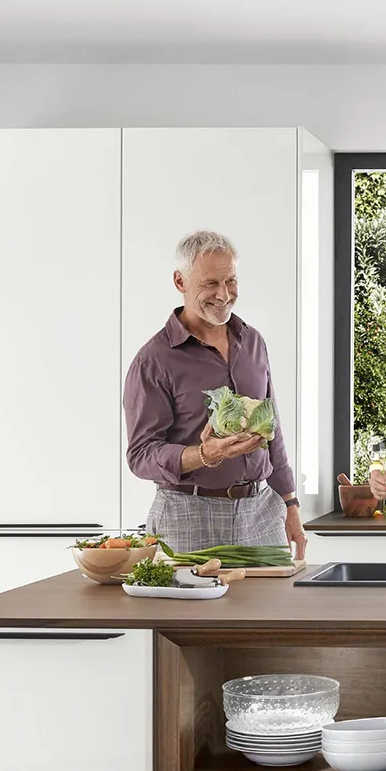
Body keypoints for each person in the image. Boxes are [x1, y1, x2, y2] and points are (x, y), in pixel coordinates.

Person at [123, 230, 307, 558]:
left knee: (269, 610)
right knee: (192, 611)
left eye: (231, 280)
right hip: (187, 514)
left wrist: (290, 504)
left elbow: (272, 430)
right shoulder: (154, 359)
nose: (223, 294)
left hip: (263, 511)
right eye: (210, 284)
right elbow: (141, 455)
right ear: (180, 282)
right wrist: (205, 454)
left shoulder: (252, 342)